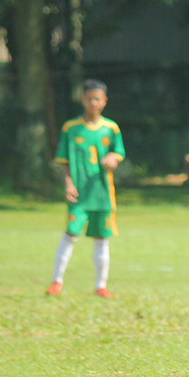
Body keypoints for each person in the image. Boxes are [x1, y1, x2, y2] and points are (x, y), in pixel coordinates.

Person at [46, 79, 126, 298]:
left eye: (97, 99)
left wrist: (113, 158)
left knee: (102, 239)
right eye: (89, 98)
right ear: (82, 99)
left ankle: (101, 286)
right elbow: (64, 160)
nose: (93, 103)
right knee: (71, 234)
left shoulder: (111, 128)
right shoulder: (71, 128)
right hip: (79, 194)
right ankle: (56, 282)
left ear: (104, 101)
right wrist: (68, 182)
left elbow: (118, 152)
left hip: (102, 193)